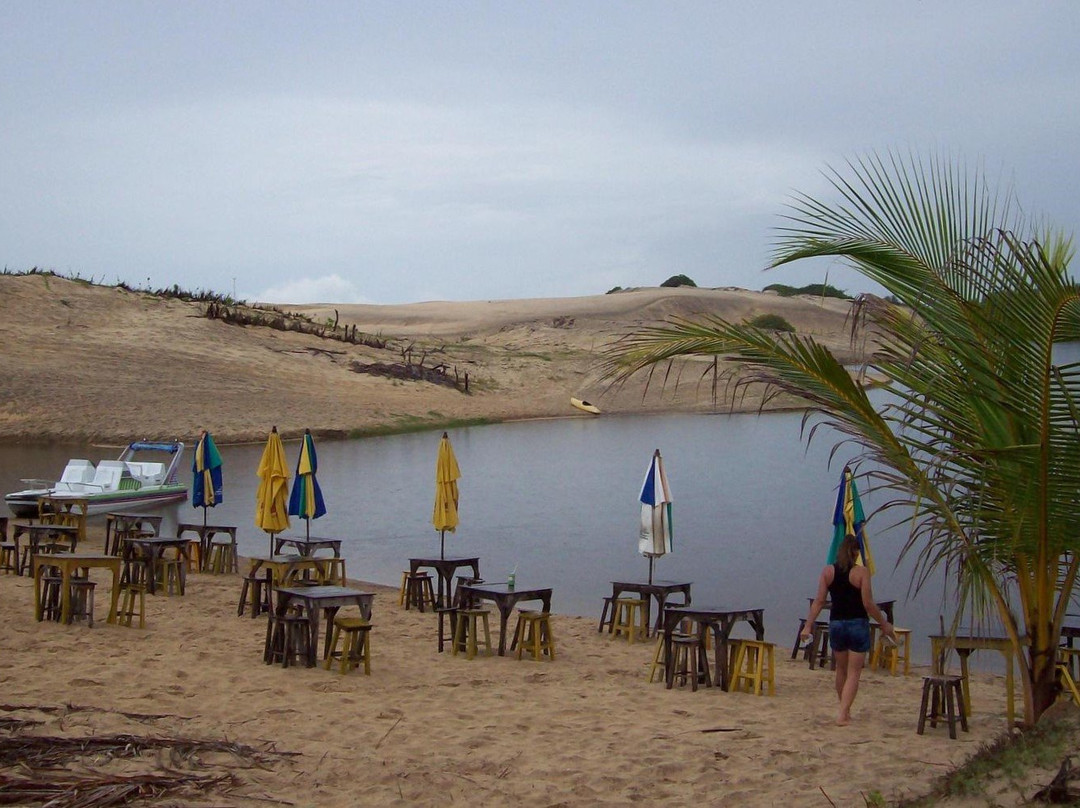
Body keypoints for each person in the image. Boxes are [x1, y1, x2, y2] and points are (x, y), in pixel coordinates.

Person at [801, 533, 896, 726]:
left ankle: (845, 709)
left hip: (836, 624)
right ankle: (843, 714)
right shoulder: (861, 573)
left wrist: (808, 624)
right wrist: (884, 623)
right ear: (855, 552)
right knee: (854, 672)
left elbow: (819, 601)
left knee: (841, 670)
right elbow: (868, 604)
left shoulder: (828, 572)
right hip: (857, 624)